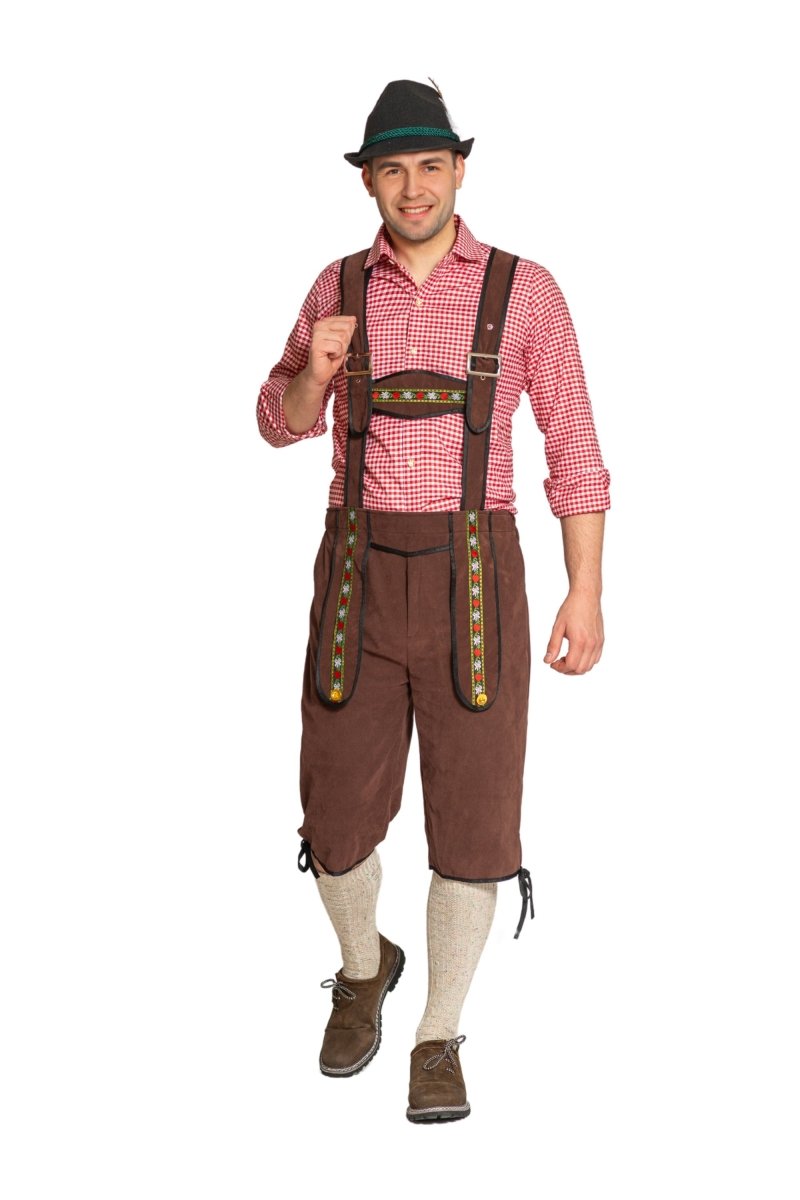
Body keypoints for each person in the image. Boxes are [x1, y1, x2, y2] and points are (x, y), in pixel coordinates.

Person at [257, 79, 610, 1124]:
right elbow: (275, 420)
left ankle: (438, 1033)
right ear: (367, 182)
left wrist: (585, 591)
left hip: (476, 576)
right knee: (333, 816)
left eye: (429, 166)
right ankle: (365, 968)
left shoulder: (525, 290)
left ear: (459, 170)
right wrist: (314, 376)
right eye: (391, 170)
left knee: (475, 818)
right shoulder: (334, 286)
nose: (412, 188)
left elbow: (575, 447)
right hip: (355, 576)